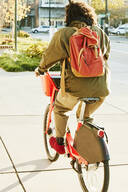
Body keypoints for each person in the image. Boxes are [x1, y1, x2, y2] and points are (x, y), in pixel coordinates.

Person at [35, 1, 110, 154]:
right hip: (101, 90)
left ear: (69, 16)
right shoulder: (100, 32)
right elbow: (106, 55)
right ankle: (88, 143)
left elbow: (49, 56)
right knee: (85, 117)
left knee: (60, 109)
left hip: (73, 89)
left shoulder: (64, 34)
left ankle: (60, 143)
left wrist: (41, 69)